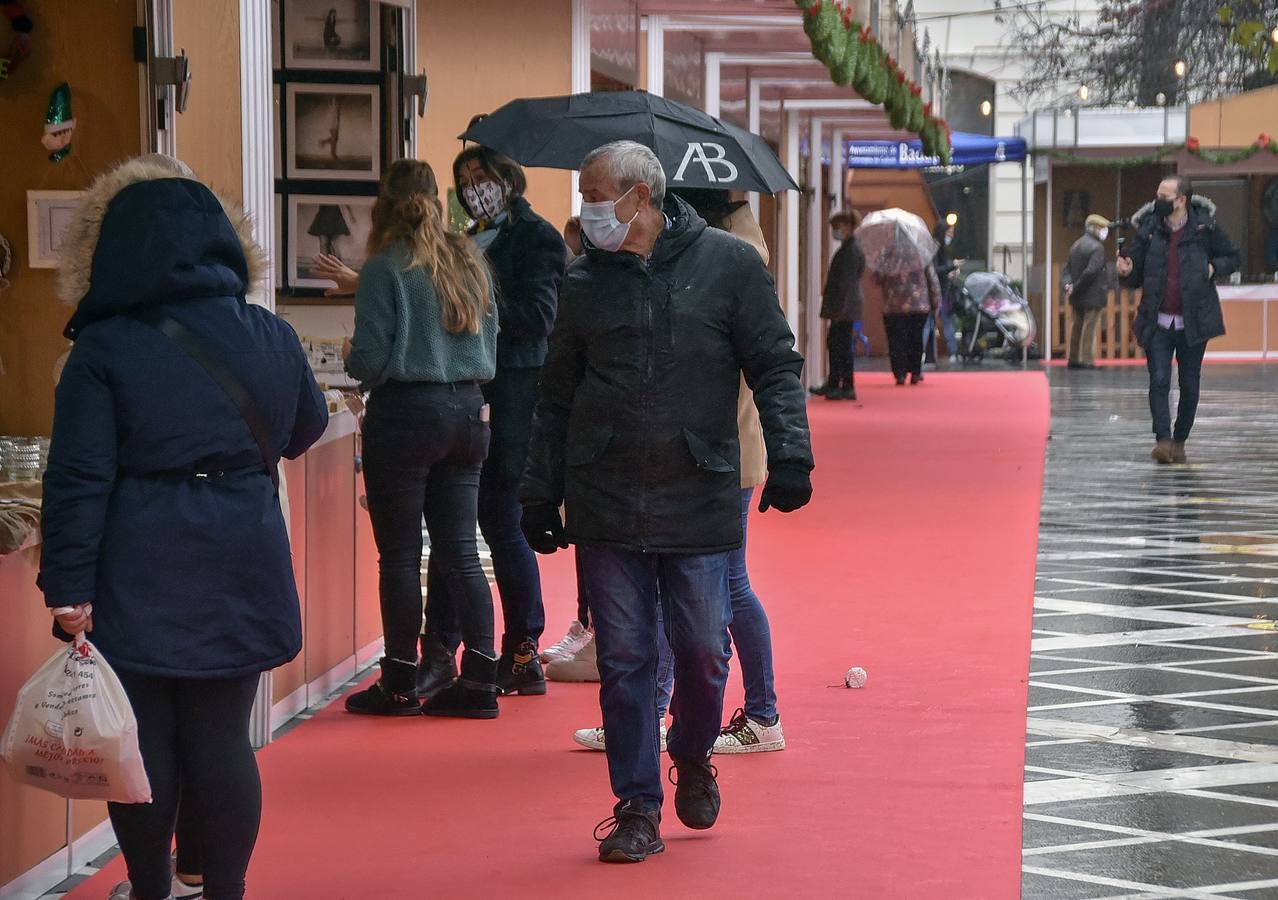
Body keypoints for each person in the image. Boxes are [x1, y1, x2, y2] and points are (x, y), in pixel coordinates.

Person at [38, 154, 329, 900]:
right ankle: (222, 889)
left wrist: (68, 583)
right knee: (223, 739)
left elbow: (78, 478)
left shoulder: (102, 348)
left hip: (142, 555)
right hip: (243, 549)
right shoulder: (268, 333)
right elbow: (306, 429)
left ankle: (149, 889)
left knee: (145, 743)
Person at [520, 141, 813, 863]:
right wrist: (538, 488)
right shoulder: (585, 282)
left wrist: (791, 454)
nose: (585, 211)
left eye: (595, 196)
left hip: (699, 491)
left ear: (640, 197)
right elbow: (554, 397)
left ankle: (691, 754)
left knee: (704, 654)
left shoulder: (730, 267)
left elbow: (775, 364)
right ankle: (636, 807)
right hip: (606, 496)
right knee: (623, 658)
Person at [568, 187, 788, 755]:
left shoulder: (728, 263)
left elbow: (764, 366)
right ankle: (660, 714)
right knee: (686, 597)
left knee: (726, 587)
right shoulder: (720, 254)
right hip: (700, 454)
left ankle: (757, 713)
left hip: (720, 456)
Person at [341, 159, 501, 718]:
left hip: (405, 416)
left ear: (383, 205)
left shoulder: (386, 268)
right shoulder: (470, 258)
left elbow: (371, 358)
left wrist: (351, 357)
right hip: (467, 412)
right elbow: (493, 343)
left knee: (402, 557)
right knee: (460, 550)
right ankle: (482, 679)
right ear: (440, 199)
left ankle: (401, 681)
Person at [409, 145, 566, 698]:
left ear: (508, 178)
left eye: (483, 176)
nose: (475, 185)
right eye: (465, 178)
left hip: (515, 397)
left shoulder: (538, 238)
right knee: (455, 528)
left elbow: (539, 317)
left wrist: (472, 304)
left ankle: (523, 650)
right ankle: (444, 648)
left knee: (502, 522)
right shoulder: (462, 237)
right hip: (462, 395)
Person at [1117, 175, 1239, 464]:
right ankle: (1162, 439)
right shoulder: (1148, 230)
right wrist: (1125, 270)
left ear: (1181, 200)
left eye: (1164, 196)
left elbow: (1233, 257)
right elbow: (1135, 273)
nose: (1158, 201)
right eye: (1157, 195)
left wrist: (1212, 268)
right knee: (1159, 379)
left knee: (1189, 384)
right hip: (1157, 320)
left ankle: (1180, 440)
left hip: (1194, 320)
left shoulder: (1204, 228)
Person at [811, 210, 865, 401]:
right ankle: (837, 382)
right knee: (838, 344)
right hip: (845, 306)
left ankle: (842, 384)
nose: (835, 231)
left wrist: (839, 309)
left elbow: (847, 283)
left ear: (847, 227)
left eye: (837, 227)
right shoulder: (849, 248)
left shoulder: (850, 251)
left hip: (843, 307)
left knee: (839, 345)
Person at [875, 249, 941, 386]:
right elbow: (932, 279)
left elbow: (878, 278)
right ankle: (915, 372)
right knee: (916, 338)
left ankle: (899, 373)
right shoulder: (921, 254)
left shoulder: (888, 255)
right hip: (918, 304)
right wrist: (936, 302)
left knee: (896, 340)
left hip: (893, 305)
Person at [1065, 214, 1111, 370]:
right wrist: (1077, 286)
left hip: (1077, 295)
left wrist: (1070, 286)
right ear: (1095, 228)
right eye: (1101, 228)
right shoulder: (1097, 247)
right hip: (1092, 294)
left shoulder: (1075, 245)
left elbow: (1067, 270)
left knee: (1077, 326)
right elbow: (1092, 271)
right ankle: (1087, 360)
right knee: (1089, 328)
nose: (1104, 231)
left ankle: (1073, 358)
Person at [930, 221, 962, 364]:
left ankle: (949, 352)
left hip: (942, 289)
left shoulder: (941, 248)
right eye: (949, 233)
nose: (951, 236)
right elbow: (935, 270)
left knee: (939, 322)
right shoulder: (936, 248)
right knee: (941, 322)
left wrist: (951, 271)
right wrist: (952, 266)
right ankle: (951, 352)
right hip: (938, 291)